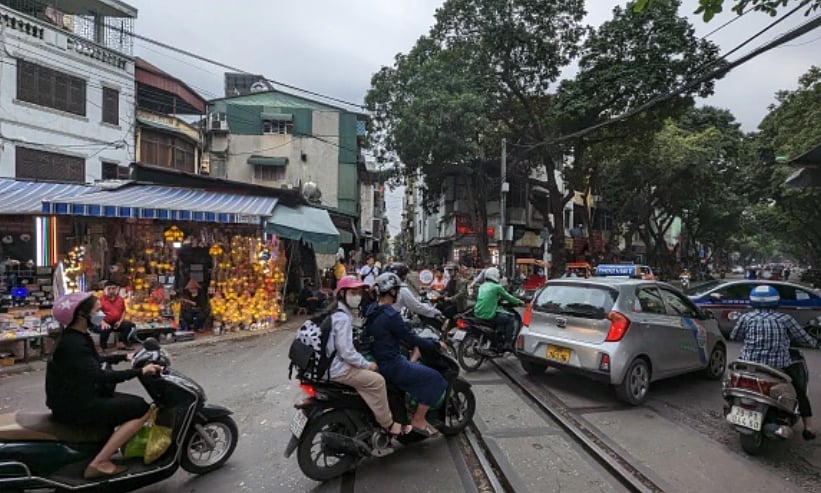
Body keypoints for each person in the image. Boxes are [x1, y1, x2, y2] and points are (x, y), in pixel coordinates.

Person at [46, 292, 163, 479]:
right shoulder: (74, 343)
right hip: (77, 405)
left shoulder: (74, 337)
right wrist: (140, 372)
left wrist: (123, 356)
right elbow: (99, 375)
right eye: (97, 311)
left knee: (127, 403)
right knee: (141, 408)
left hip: (76, 398)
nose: (102, 315)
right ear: (81, 316)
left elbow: (92, 361)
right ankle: (100, 462)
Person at [729, 285, 818, 440]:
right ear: (776, 301)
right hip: (777, 368)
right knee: (799, 391)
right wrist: (814, 343)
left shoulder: (746, 317)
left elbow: (734, 336)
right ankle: (808, 427)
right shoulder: (785, 319)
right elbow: (805, 340)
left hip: (748, 365)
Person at [365, 273, 448, 437]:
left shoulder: (372, 309)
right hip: (393, 365)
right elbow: (411, 338)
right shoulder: (391, 315)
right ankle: (418, 419)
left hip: (379, 359)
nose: (397, 293)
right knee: (436, 379)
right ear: (391, 292)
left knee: (414, 364)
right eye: (396, 290)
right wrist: (436, 343)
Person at [328, 276, 411, 437]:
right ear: (342, 294)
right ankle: (389, 424)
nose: (357, 296)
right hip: (337, 367)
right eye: (353, 292)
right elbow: (346, 353)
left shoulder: (335, 311)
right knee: (378, 381)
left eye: (359, 292)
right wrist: (367, 365)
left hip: (328, 364)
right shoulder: (343, 317)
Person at [474, 267, 523, 352]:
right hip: (489, 314)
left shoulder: (482, 286)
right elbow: (508, 297)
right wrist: (519, 302)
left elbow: (490, 298)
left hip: (478, 313)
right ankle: (508, 344)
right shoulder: (497, 287)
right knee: (510, 319)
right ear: (495, 275)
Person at [98, 281, 134, 351]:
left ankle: (123, 343)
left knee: (128, 325)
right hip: (104, 322)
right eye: (109, 289)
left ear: (117, 289)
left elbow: (123, 311)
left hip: (116, 323)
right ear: (104, 289)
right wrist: (103, 323)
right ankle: (103, 347)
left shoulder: (120, 299)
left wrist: (120, 321)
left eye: (113, 289)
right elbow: (96, 313)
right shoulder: (100, 300)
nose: (111, 291)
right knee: (105, 328)